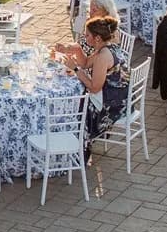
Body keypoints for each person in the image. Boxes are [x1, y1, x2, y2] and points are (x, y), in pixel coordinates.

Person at [54, 15, 128, 148]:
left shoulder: (103, 57)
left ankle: (73, 145)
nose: (84, 37)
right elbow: (87, 63)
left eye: (87, 35)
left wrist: (75, 69)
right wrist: (77, 49)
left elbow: (94, 88)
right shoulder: (108, 47)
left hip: (112, 106)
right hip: (120, 96)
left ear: (97, 38)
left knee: (73, 106)